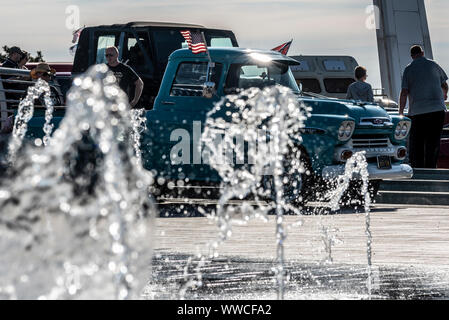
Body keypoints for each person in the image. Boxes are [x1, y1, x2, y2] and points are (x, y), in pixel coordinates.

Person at [399, 45, 448, 168]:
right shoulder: (434, 65)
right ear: (422, 53)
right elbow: (444, 85)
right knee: (433, 142)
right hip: (437, 110)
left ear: (412, 56)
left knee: (417, 143)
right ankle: (431, 168)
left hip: (418, 112)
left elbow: (404, 92)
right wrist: (444, 94)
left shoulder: (408, 69)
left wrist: (400, 112)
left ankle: (419, 169)